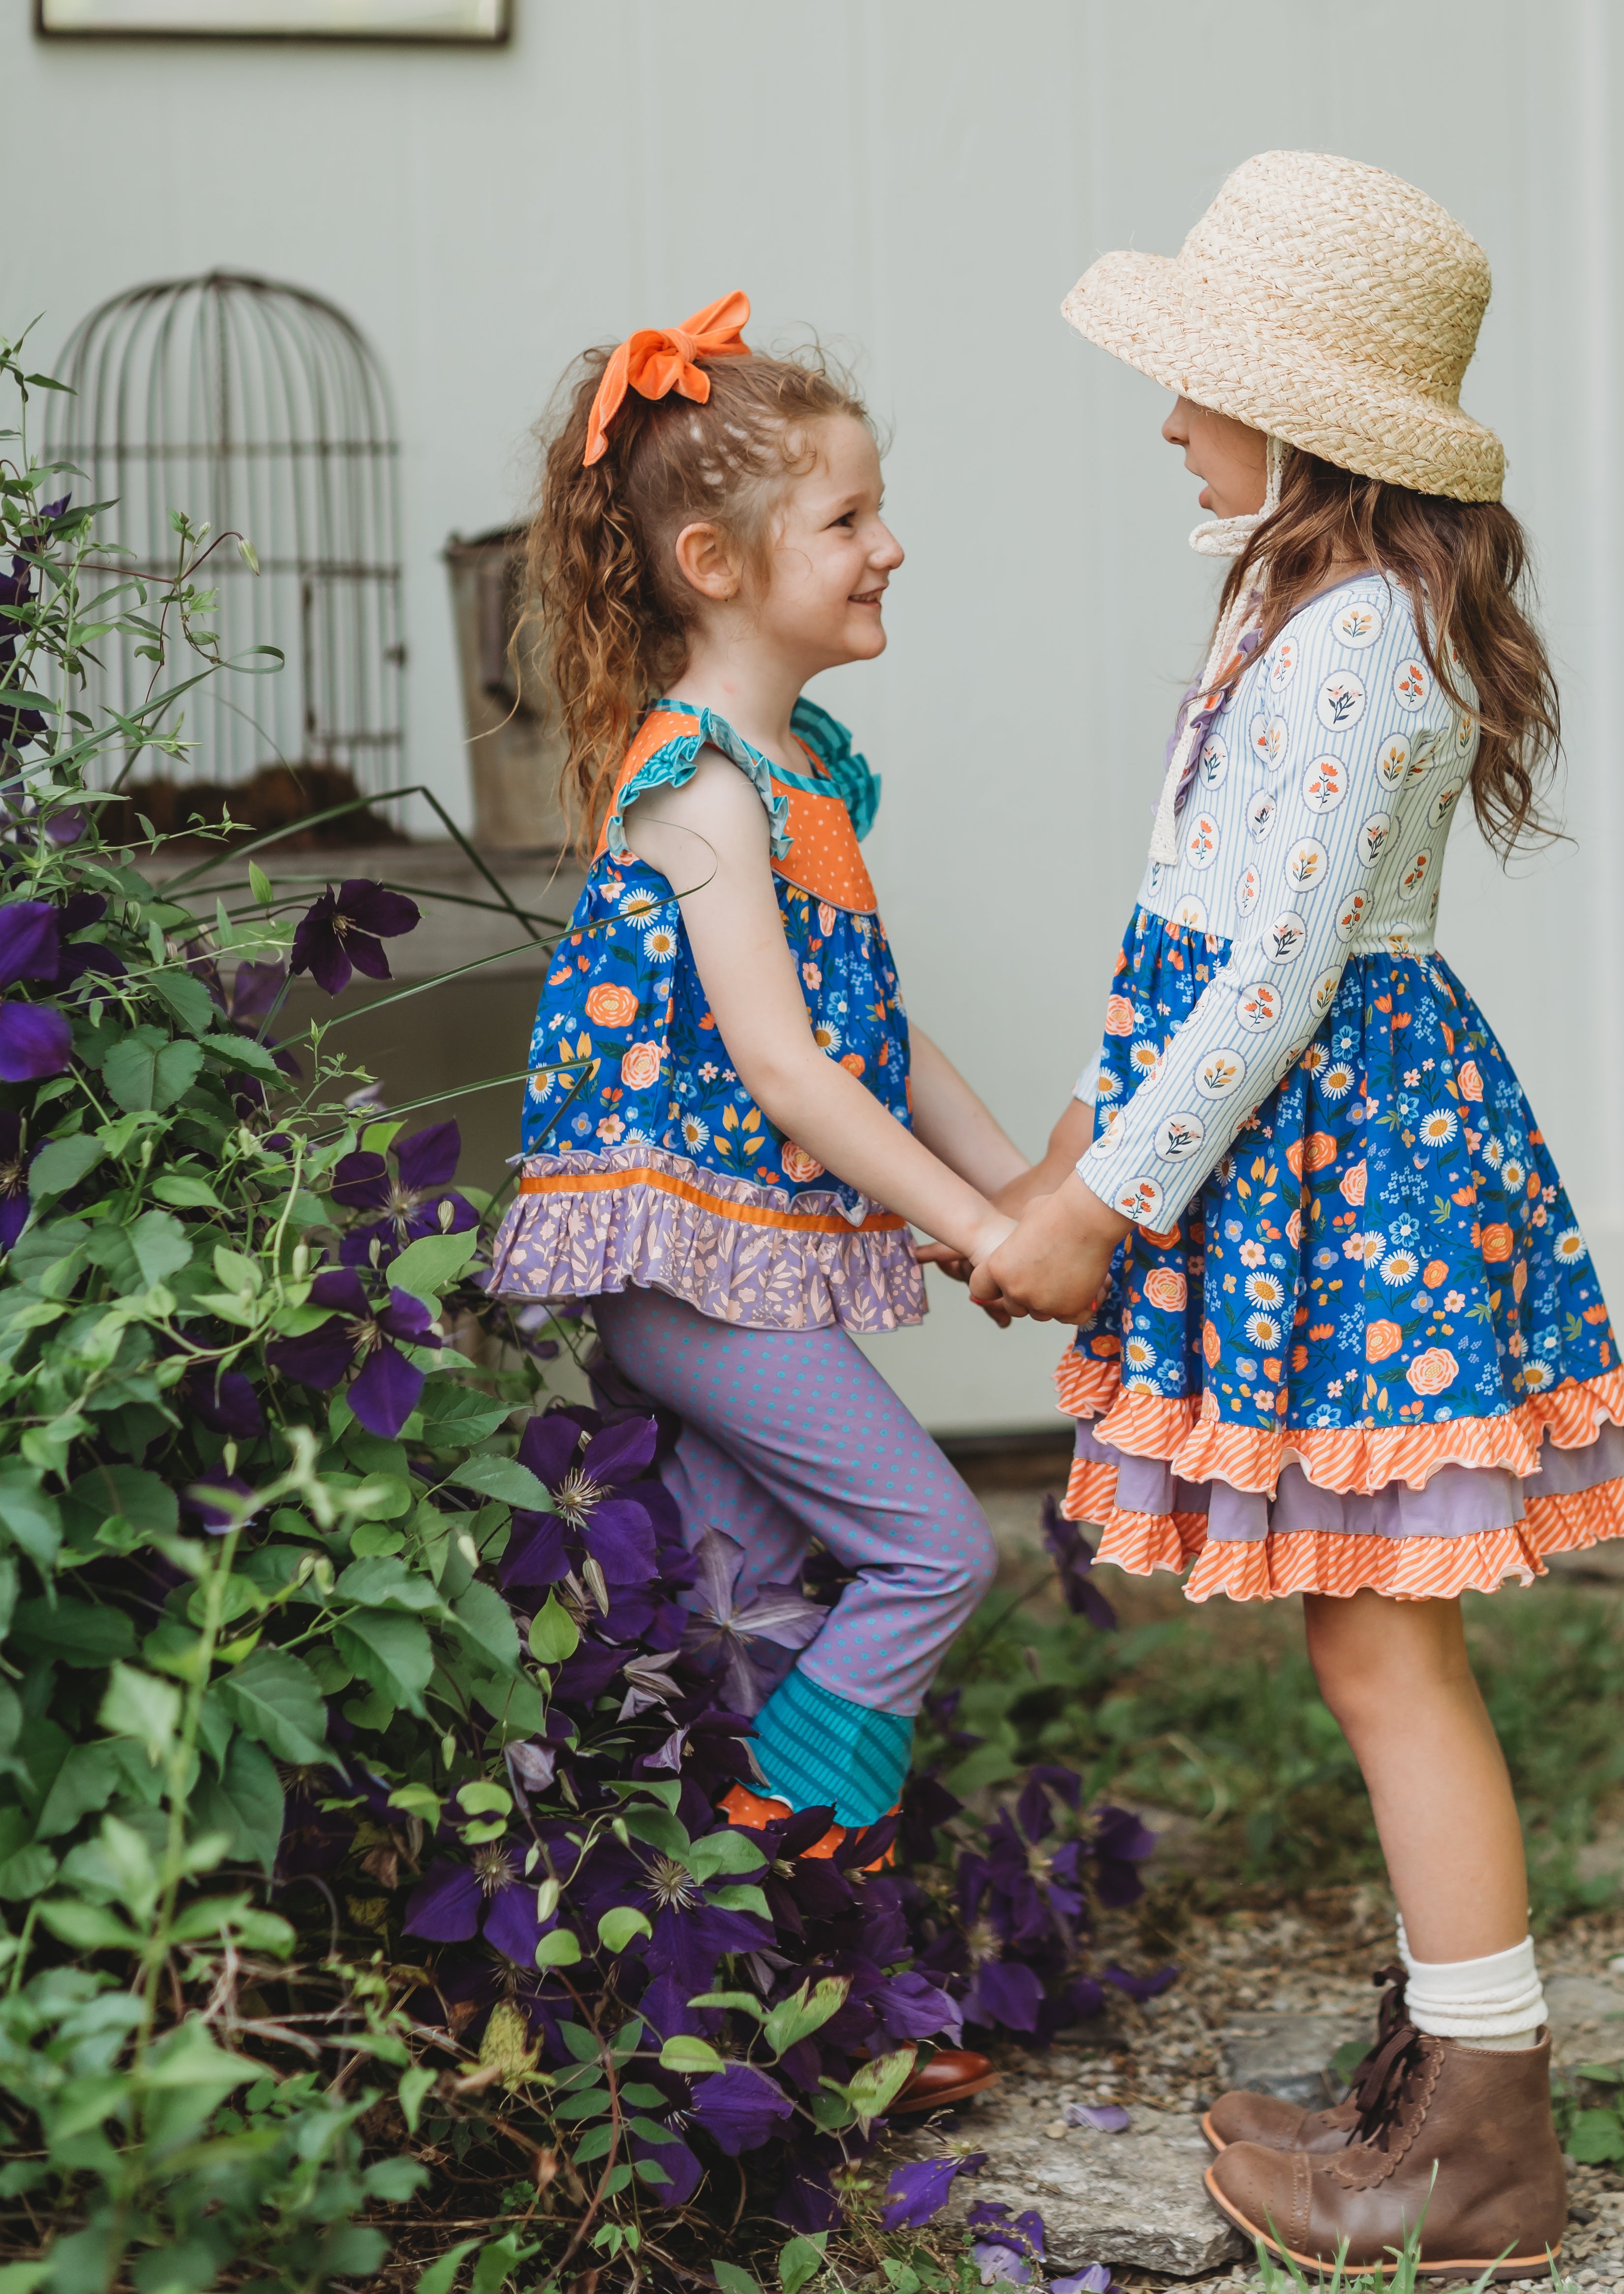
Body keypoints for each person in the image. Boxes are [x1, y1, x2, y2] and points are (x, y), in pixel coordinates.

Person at [970, 156, 1624, 2275]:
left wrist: (1102, 1199)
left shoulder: (1365, 632)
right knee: (1367, 1633)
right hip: (1280, 1157)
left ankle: (1486, 2143)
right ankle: (1453, 2080)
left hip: (1344, 1171)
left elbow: (1275, 979)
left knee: (1383, 1636)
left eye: (1197, 377)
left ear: (1309, 416)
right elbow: (1183, 932)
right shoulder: (1284, 596)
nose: (1165, 410)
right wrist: (1070, 1148)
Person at [493, 294, 1022, 2112]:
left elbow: (882, 1028)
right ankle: (782, 1849)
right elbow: (792, 1076)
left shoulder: (806, 770)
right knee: (934, 1551)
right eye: (850, 519)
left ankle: (758, 2012)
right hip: (686, 1257)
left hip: (742, 1249)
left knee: (747, 1612)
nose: (890, 545)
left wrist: (1019, 1183)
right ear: (713, 561)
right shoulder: (699, 782)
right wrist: (971, 1229)